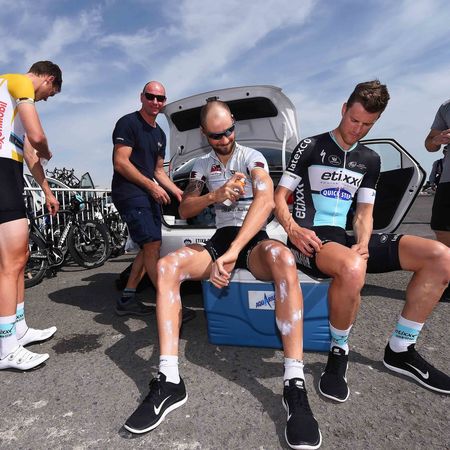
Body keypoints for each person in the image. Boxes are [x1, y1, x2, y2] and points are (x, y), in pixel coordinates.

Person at [123, 100, 322, 449]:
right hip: (221, 238)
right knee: (167, 267)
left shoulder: (251, 157)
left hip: (253, 240)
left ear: (234, 125)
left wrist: (233, 253)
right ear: (205, 134)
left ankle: (294, 383)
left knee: (283, 259)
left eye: (229, 130)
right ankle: (169, 379)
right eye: (216, 135)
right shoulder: (202, 165)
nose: (225, 138)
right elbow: (186, 207)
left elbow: (266, 199)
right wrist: (215, 195)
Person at [274, 80, 450, 402]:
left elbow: (364, 213)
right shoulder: (310, 146)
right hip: (308, 239)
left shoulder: (370, 159)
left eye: (367, 124)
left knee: (439, 256)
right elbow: (279, 196)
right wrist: (293, 229)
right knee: (353, 268)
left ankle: (401, 349)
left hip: (343, 238)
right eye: (354, 120)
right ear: (344, 109)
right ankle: (338, 350)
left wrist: (365, 242)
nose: (357, 129)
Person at [0, 61, 62, 371]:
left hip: (9, 170)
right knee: (10, 263)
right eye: (51, 93)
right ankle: (5, 347)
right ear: (48, 79)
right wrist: (48, 150)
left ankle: (19, 328)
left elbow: (27, 151)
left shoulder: (8, 92)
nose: (46, 98)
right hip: (2, 171)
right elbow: (37, 138)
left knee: (20, 256)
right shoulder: (21, 83)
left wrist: (47, 192)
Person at [111, 81, 183, 316]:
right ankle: (168, 304)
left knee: (149, 246)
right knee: (152, 245)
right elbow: (121, 163)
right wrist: (152, 187)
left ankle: (128, 298)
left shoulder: (160, 134)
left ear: (164, 102)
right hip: (129, 192)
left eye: (160, 98)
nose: (155, 102)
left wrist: (178, 192)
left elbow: (158, 171)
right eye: (150, 96)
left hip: (147, 193)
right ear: (141, 97)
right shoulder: (128, 123)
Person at [425, 100, 450, 301]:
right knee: (442, 228)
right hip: (448, 177)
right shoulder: (446, 107)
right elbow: (429, 145)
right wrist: (437, 139)